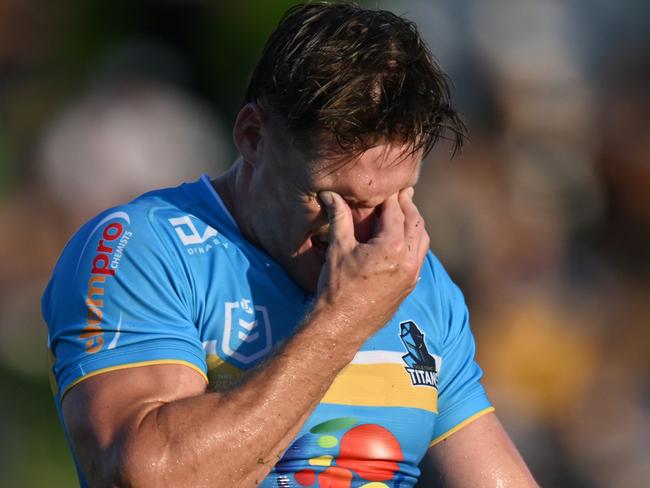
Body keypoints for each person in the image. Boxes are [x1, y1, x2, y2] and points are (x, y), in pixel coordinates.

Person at [42, 3, 538, 487]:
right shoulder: (144, 248)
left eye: (395, 198)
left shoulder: (416, 277)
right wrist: (342, 320)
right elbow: (150, 477)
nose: (364, 237)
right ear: (253, 136)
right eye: (335, 200)